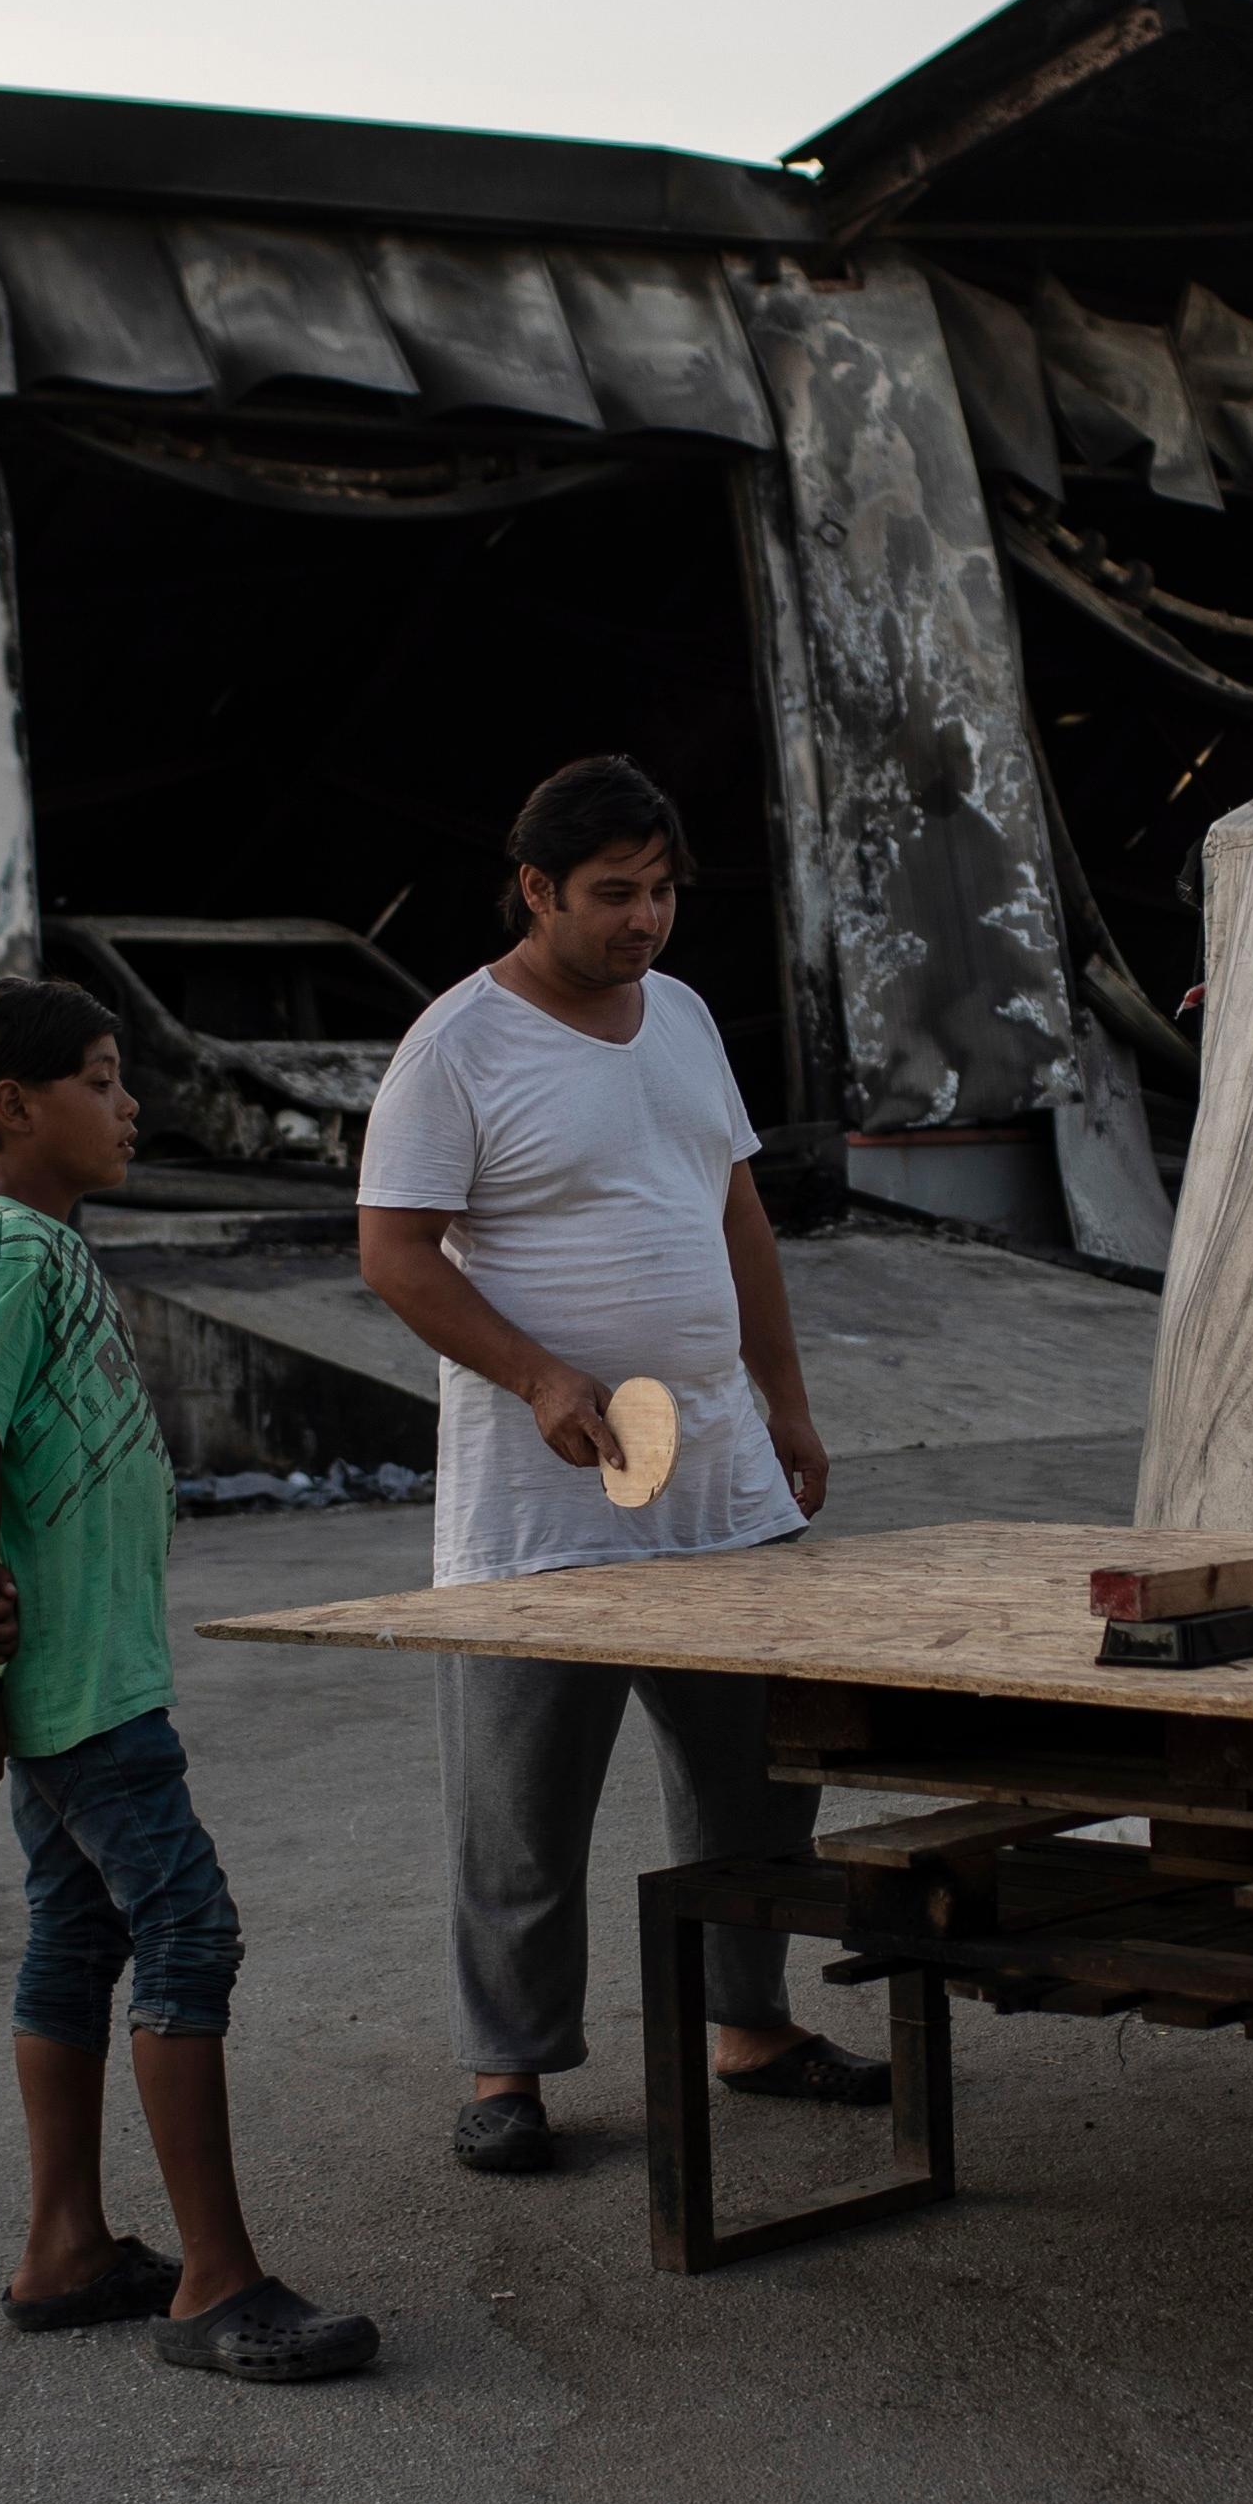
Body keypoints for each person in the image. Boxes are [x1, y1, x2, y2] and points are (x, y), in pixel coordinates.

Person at [355, 754, 866, 2177]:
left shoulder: (687, 1017)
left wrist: (785, 1398)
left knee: (758, 1777)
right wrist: (535, 1373)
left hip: (718, 1474)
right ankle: (506, 2072)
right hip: (542, 1503)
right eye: (612, 895)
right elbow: (392, 1255)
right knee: (521, 1801)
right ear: (534, 890)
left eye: (661, 893)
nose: (644, 921)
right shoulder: (455, 1048)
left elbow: (739, 1216)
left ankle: (750, 2029)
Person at [0, 975, 380, 2385]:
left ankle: (63, 2249)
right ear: (18, 1106)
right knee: (187, 1930)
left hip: (87, 1669)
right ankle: (215, 2283)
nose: (130, 1109)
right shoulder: (11, 1253)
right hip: (77, 1687)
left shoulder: (45, 1245)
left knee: (78, 1934)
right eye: (105, 1082)